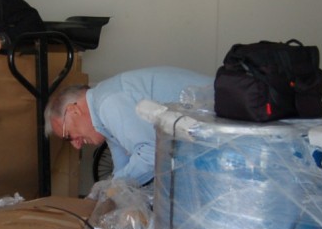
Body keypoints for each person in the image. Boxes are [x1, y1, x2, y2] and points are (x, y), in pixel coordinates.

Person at [44, 67, 212, 186]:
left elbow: (151, 155)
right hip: (203, 135)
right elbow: (123, 166)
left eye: (68, 136)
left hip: (215, 126)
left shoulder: (108, 104)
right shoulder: (101, 112)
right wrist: (112, 190)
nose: (76, 145)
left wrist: (112, 188)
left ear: (73, 110)